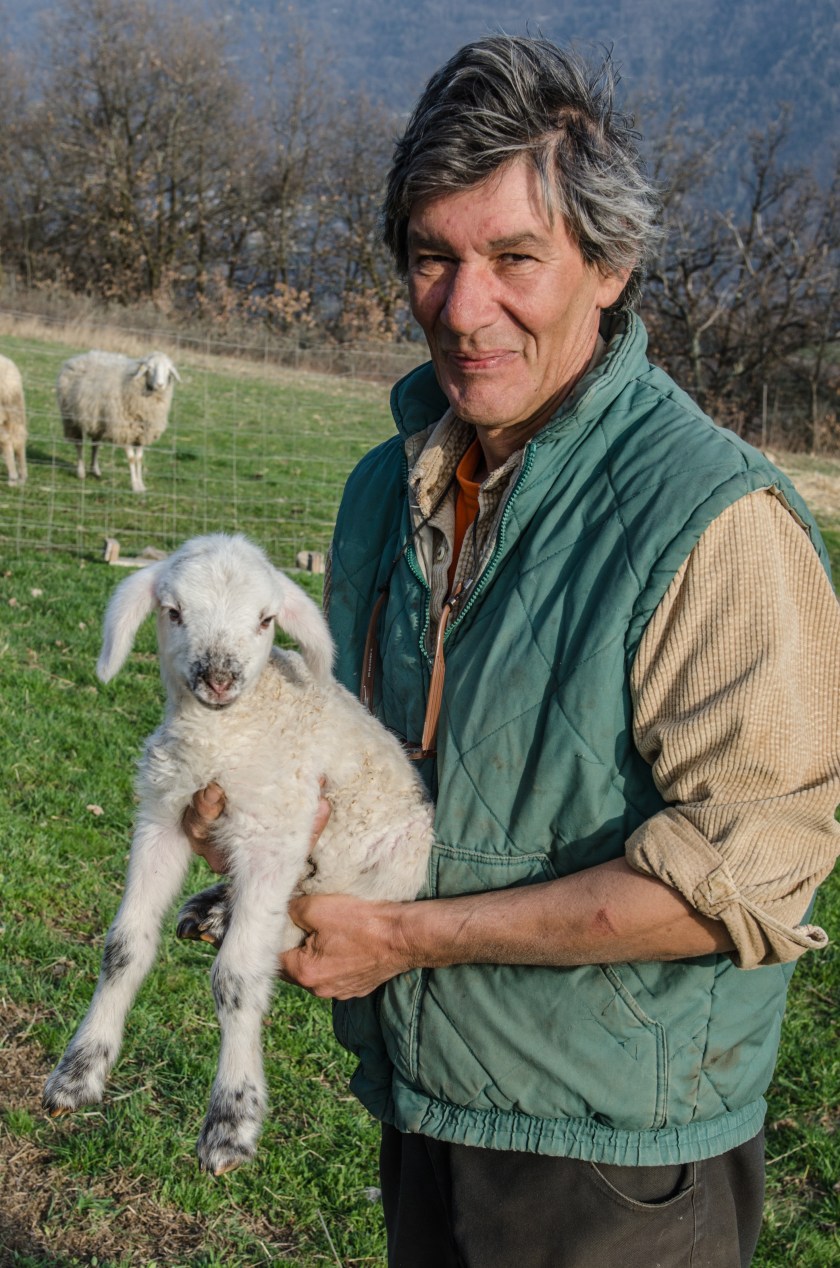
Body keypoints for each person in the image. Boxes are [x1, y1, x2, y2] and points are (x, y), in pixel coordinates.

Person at [186, 36, 840, 1267]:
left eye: (514, 258)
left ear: (609, 264)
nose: (464, 305)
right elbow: (363, 751)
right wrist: (245, 814)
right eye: (433, 256)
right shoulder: (389, 485)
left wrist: (409, 939)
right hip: (425, 1101)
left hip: (617, 1156)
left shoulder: (716, 523)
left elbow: (748, 879)